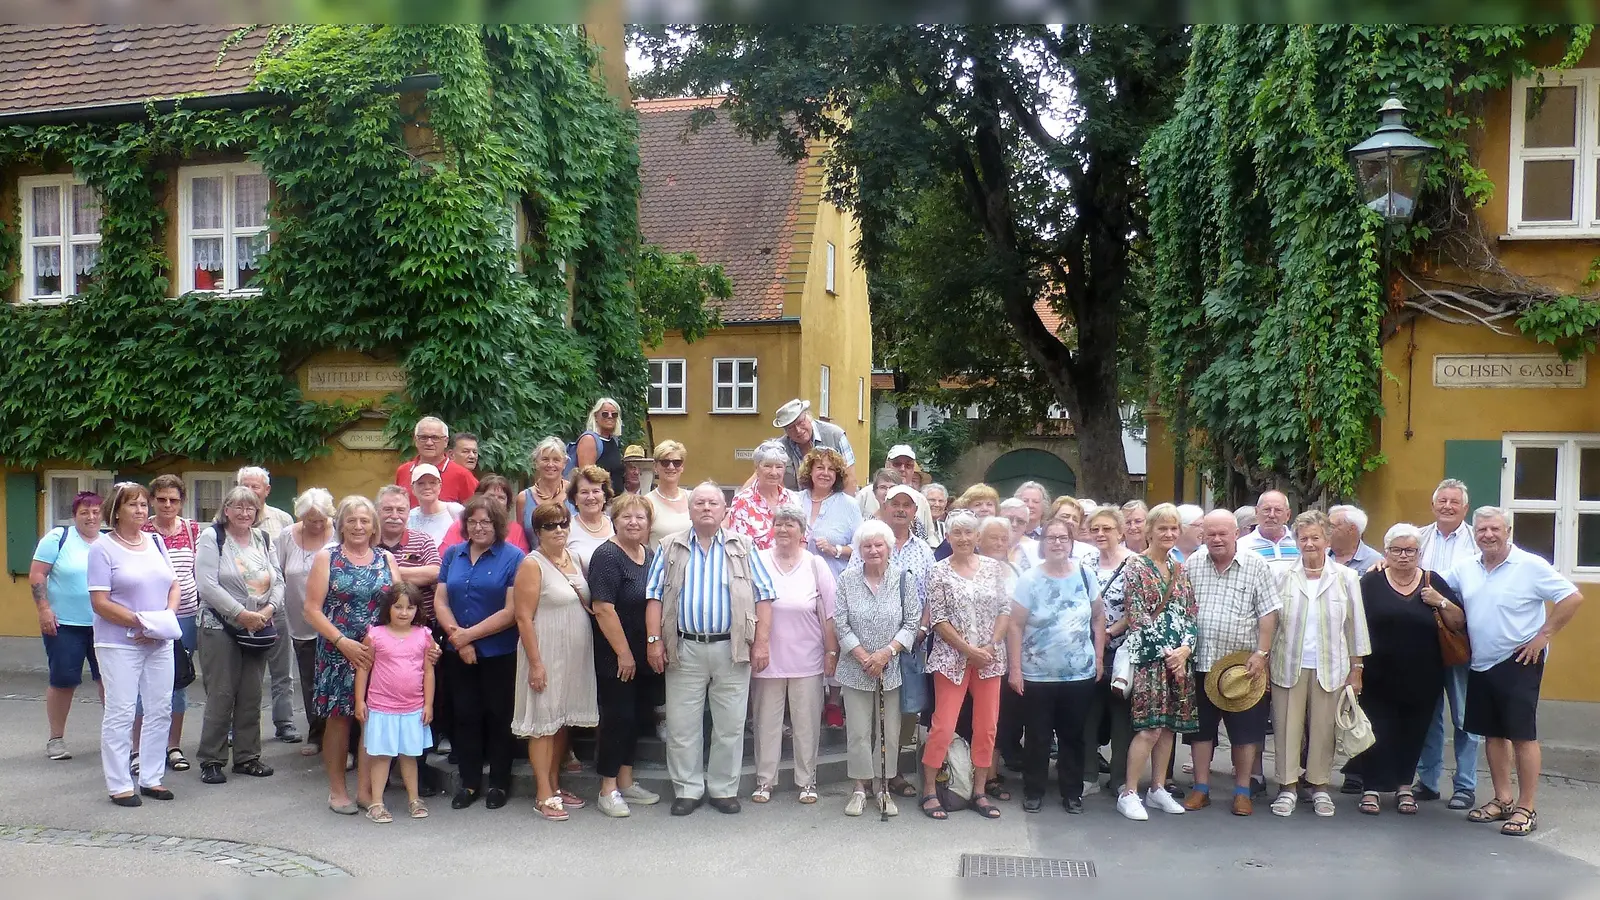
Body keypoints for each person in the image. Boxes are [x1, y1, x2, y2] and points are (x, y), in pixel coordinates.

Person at [1445, 506, 1583, 837]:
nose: (1488, 535)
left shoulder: (1530, 565)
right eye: (1481, 530)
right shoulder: (1466, 568)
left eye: (1494, 529)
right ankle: (1503, 799)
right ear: (1474, 534)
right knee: (1492, 735)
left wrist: (1544, 635)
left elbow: (1572, 598)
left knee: (1522, 736)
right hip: (1481, 661)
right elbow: (1437, 587)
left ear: (1508, 531)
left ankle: (1526, 806)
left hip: (1520, 660)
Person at [644, 482, 777, 817]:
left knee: (730, 725)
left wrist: (761, 642)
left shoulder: (744, 547)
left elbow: (764, 596)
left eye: (713, 503)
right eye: (699, 502)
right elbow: (655, 596)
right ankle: (687, 790)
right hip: (685, 647)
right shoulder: (670, 546)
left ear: (724, 510)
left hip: (732, 650)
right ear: (690, 509)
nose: (706, 508)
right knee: (682, 725)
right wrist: (653, 640)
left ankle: (722, 789)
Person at [1346, 523, 1462, 816]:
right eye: (1396, 550)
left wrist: (1441, 601)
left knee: (1413, 731)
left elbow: (1458, 622)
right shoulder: (1370, 583)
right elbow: (1353, 626)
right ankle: (1371, 788)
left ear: (1420, 553)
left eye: (1410, 550)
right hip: (1376, 674)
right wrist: (1355, 667)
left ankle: (1404, 787)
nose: (1404, 556)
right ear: (1385, 552)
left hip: (1423, 675)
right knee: (1374, 730)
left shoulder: (1432, 581)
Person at [305, 496, 406, 815]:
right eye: (352, 521)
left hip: (378, 653)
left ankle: (366, 789)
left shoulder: (386, 559)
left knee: (372, 719)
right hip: (338, 652)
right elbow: (311, 609)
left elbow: (400, 603)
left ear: (374, 526)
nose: (359, 526)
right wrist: (342, 642)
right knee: (339, 720)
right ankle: (337, 790)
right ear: (341, 526)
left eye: (365, 521)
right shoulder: (327, 557)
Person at [1267, 510, 1369, 818]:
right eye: (1303, 538)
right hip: (1288, 663)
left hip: (1331, 665)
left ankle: (1320, 785)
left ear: (1327, 540)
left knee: (1324, 728)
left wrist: (1357, 669)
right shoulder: (1282, 574)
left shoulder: (1346, 577)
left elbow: (1355, 626)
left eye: (1316, 537)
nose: (1309, 544)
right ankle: (1287, 787)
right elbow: (1270, 622)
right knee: (1287, 726)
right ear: (1296, 541)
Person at [1181, 510, 1280, 816]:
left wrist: (1261, 653)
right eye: (1210, 534)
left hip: (1242, 667)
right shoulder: (1193, 563)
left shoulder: (1256, 566)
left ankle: (1242, 790)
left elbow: (1268, 614)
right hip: (1202, 662)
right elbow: (1183, 608)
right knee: (1201, 731)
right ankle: (1201, 788)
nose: (1216, 539)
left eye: (1223, 533)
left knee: (1245, 733)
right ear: (1203, 536)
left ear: (1236, 533)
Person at [88, 483, 181, 807]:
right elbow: (100, 602)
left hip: (158, 640)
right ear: (116, 510)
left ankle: (152, 778)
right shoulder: (103, 548)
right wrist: (142, 622)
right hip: (120, 643)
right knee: (122, 711)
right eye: (134, 506)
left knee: (160, 708)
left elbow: (174, 584)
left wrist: (164, 619)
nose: (141, 511)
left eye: (144, 505)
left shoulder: (155, 541)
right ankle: (119, 784)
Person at [435, 496, 525, 811]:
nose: (478, 527)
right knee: (465, 716)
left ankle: (499, 783)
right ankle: (469, 782)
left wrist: (468, 636)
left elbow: (512, 611)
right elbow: (441, 601)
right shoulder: (452, 554)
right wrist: (459, 640)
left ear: (498, 524)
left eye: (485, 521)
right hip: (458, 651)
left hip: (499, 652)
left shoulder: (514, 557)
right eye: (473, 521)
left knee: (499, 717)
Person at [1008, 517, 1103, 814]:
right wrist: (1015, 669)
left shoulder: (1086, 575)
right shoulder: (1030, 579)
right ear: (1042, 543)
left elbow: (1099, 618)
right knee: (1037, 735)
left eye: (1063, 538)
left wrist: (1099, 657)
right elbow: (1015, 626)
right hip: (1037, 673)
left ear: (1072, 543)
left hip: (1079, 674)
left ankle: (1071, 793)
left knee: (1073, 735)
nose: (1058, 543)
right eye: (1051, 538)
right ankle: (1034, 790)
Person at [512, 501, 599, 821]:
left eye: (563, 523)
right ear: (538, 532)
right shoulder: (531, 564)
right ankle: (542, 793)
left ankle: (555, 785)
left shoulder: (574, 557)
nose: (559, 530)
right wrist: (536, 664)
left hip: (572, 653)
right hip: (545, 651)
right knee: (542, 725)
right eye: (550, 526)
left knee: (561, 720)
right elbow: (522, 617)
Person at [920, 511, 1011, 821]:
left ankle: (980, 791)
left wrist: (989, 646)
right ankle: (930, 790)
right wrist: (967, 649)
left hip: (989, 658)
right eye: (956, 533)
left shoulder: (994, 569)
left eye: (968, 533)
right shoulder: (937, 571)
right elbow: (939, 619)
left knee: (986, 727)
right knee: (943, 725)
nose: (962, 538)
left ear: (977, 538)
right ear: (948, 537)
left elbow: (1004, 610)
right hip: (951, 659)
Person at [194, 485, 283, 786]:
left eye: (251, 508)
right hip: (220, 626)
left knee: (251, 693)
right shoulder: (212, 537)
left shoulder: (263, 538)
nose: (245, 513)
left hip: (258, 625)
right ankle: (212, 759)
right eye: (238, 507)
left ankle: (247, 757)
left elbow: (278, 580)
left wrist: (269, 610)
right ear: (226, 509)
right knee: (221, 693)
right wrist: (239, 614)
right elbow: (206, 585)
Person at [750, 505, 838, 805]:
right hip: (767, 656)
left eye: (791, 524)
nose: (784, 529)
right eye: (779, 524)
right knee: (766, 722)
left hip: (808, 657)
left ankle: (807, 781)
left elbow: (830, 613)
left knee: (806, 723)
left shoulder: (815, 564)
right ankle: (765, 781)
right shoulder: (758, 560)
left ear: (803, 532)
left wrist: (831, 651)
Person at [1116, 503, 1198, 822]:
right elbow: (1136, 616)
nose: (1168, 534)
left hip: (1179, 660)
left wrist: (1185, 650)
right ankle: (1130, 792)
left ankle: (1158, 788)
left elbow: (1191, 612)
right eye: (1162, 528)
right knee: (1149, 729)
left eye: (1173, 528)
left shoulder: (1180, 568)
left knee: (1168, 729)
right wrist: (1169, 652)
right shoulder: (1136, 566)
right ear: (1148, 531)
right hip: (1152, 659)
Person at [833, 520, 919, 817]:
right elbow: (840, 623)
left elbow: (911, 624)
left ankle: (883, 787)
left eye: (878, 545)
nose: (873, 550)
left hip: (890, 669)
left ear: (889, 547)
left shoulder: (903, 579)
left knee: (889, 732)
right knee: (858, 731)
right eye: (867, 546)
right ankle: (859, 788)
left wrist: (886, 653)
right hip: (855, 669)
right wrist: (863, 656)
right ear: (859, 550)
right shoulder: (847, 579)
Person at [587, 494, 665, 817]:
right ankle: (607, 788)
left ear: (649, 524)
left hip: (643, 652)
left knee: (634, 719)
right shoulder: (606, 555)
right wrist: (624, 653)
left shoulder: (648, 554)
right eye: (626, 517)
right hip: (616, 655)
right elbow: (603, 608)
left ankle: (627, 781)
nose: (633, 522)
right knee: (617, 719)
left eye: (640, 517)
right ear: (614, 520)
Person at [1416, 478, 1482, 810]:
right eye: (1442, 501)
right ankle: (1427, 781)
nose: (1447, 506)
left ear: (1465, 508)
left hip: (1460, 637)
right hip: (1423, 637)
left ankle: (1465, 785)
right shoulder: (1417, 538)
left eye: (1454, 502)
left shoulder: (1477, 542)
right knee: (1428, 714)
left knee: (1465, 716)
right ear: (1433, 505)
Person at [32, 490, 104, 762]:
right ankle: (56, 739)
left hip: (104, 625)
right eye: (84, 512)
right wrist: (44, 609)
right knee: (63, 681)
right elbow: (37, 573)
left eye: (96, 511)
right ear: (75, 515)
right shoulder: (58, 539)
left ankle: (116, 739)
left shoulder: (108, 543)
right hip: (64, 624)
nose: (91, 517)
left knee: (109, 682)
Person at [354, 584, 435, 823]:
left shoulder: (424, 635)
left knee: (409, 756)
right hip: (381, 707)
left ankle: (414, 798)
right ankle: (376, 802)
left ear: (417, 610)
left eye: (410, 607)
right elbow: (363, 669)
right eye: (398, 607)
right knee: (381, 756)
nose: (403, 612)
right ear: (388, 608)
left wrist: (428, 704)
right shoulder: (375, 635)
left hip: (413, 708)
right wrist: (360, 700)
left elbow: (429, 672)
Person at [236, 466, 299, 744]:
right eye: (245, 486)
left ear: (267, 490)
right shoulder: (228, 521)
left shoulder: (283, 519)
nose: (251, 491)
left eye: (256, 487)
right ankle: (236, 726)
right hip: (241, 607)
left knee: (281, 668)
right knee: (242, 671)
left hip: (276, 603)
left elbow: (285, 564)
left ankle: (284, 722)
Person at [280, 488, 338, 757]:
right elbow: (278, 574)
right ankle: (316, 733)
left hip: (336, 620)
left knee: (337, 680)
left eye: (322, 519)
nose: (317, 524)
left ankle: (340, 736)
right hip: (301, 622)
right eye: (311, 519)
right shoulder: (287, 537)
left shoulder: (338, 533)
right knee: (310, 681)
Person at [1082, 507, 1135, 796]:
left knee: (1120, 717)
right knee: (1089, 714)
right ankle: (1088, 775)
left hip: (1122, 651)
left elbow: (1140, 608)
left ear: (1120, 531)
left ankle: (1119, 780)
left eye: (1107, 529)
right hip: (1087, 649)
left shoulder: (1134, 563)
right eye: (1095, 529)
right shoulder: (1085, 561)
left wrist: (1110, 632)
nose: (1100, 534)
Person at [726, 441, 802, 551]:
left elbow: (803, 537)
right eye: (767, 466)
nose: (773, 472)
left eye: (779, 467)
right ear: (757, 468)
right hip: (754, 565)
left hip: (791, 565)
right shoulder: (742, 501)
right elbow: (740, 544)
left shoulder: (793, 499)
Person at [800, 447, 862, 578]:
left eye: (831, 469)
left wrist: (835, 550)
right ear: (810, 471)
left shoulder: (850, 505)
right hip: (799, 583)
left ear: (837, 475)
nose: (825, 473)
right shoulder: (794, 500)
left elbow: (861, 547)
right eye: (820, 468)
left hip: (835, 582)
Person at [773, 397, 857, 493]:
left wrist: (845, 506)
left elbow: (850, 479)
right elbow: (761, 474)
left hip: (834, 503)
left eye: (801, 423)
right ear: (785, 431)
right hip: (795, 505)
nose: (798, 430)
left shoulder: (835, 435)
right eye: (791, 428)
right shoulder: (780, 448)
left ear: (808, 416)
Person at [396, 416, 478, 506]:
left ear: (446, 441)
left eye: (435, 438)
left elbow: (477, 511)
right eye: (423, 437)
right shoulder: (403, 471)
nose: (429, 443)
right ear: (415, 440)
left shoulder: (462, 475)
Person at [439, 475, 530, 553]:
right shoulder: (461, 525)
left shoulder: (516, 530)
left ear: (507, 503)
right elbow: (444, 556)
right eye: (490, 496)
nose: (495, 501)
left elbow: (522, 564)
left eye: (501, 498)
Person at [517, 437, 571, 535]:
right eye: (545, 459)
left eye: (556, 460)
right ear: (536, 462)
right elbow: (520, 539)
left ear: (564, 463)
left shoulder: (574, 492)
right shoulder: (523, 498)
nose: (550, 464)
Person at [567, 465, 616, 569]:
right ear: (575, 498)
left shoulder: (616, 525)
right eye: (584, 492)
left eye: (596, 491)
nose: (590, 497)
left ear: (605, 497)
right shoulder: (566, 528)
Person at [1240, 490, 1300, 574]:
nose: (1272, 515)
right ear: (1257, 512)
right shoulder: (1241, 546)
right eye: (1267, 509)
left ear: (1287, 515)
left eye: (1278, 510)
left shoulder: (1300, 543)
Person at [575, 397, 627, 493]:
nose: (610, 416)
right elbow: (586, 478)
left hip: (615, 502)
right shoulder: (589, 440)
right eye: (605, 414)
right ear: (595, 416)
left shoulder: (612, 441)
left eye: (614, 414)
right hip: (598, 503)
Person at [646, 440, 691, 549]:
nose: (671, 467)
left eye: (677, 462)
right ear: (655, 467)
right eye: (665, 462)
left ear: (682, 467)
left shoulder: (693, 498)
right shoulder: (647, 502)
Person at [407, 464, 464, 548]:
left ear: (440, 486)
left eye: (432, 483)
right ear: (413, 488)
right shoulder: (409, 517)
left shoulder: (456, 511)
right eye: (421, 483)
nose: (427, 487)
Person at [1329, 505, 1381, 574]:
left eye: (1331, 526)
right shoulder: (1319, 555)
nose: (1325, 530)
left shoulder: (1375, 561)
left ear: (1351, 529)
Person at [998, 499, 1036, 571]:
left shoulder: (1036, 548)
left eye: (1020, 521)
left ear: (1026, 526)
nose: (1014, 524)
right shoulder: (985, 546)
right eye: (1009, 519)